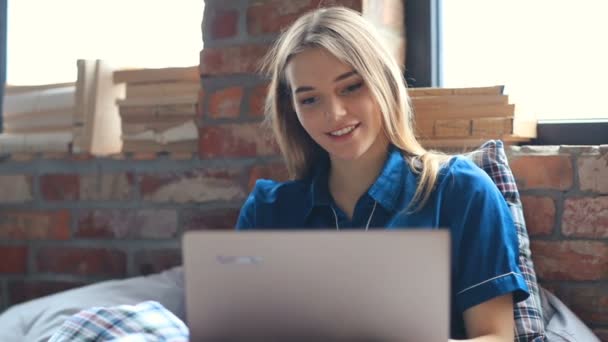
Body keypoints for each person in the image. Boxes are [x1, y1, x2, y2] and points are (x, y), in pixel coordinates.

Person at [236, 6, 530, 341]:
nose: (334, 113)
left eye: (351, 87)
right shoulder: (267, 211)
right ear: (293, 111)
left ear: (384, 82)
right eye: (310, 100)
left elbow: (496, 336)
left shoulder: (461, 191)